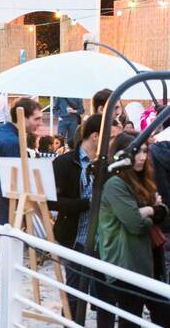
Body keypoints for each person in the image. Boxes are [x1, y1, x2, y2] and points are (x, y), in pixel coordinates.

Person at [0, 98, 43, 308]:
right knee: (4, 267)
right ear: (23, 117)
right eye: (37, 118)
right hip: (6, 211)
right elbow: (17, 184)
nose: (40, 123)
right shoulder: (15, 142)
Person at [48, 114, 116, 326]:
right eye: (112, 137)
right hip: (75, 238)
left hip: (104, 241)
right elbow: (52, 201)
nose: (115, 142)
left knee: (106, 297)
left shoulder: (112, 164)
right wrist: (87, 203)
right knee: (74, 295)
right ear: (96, 136)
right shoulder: (64, 162)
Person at [99, 132, 170, 326]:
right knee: (131, 318)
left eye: (145, 151)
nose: (141, 157)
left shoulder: (143, 180)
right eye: (136, 152)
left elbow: (164, 212)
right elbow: (135, 223)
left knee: (162, 314)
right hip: (127, 263)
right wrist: (151, 210)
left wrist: (148, 211)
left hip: (149, 260)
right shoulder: (115, 183)